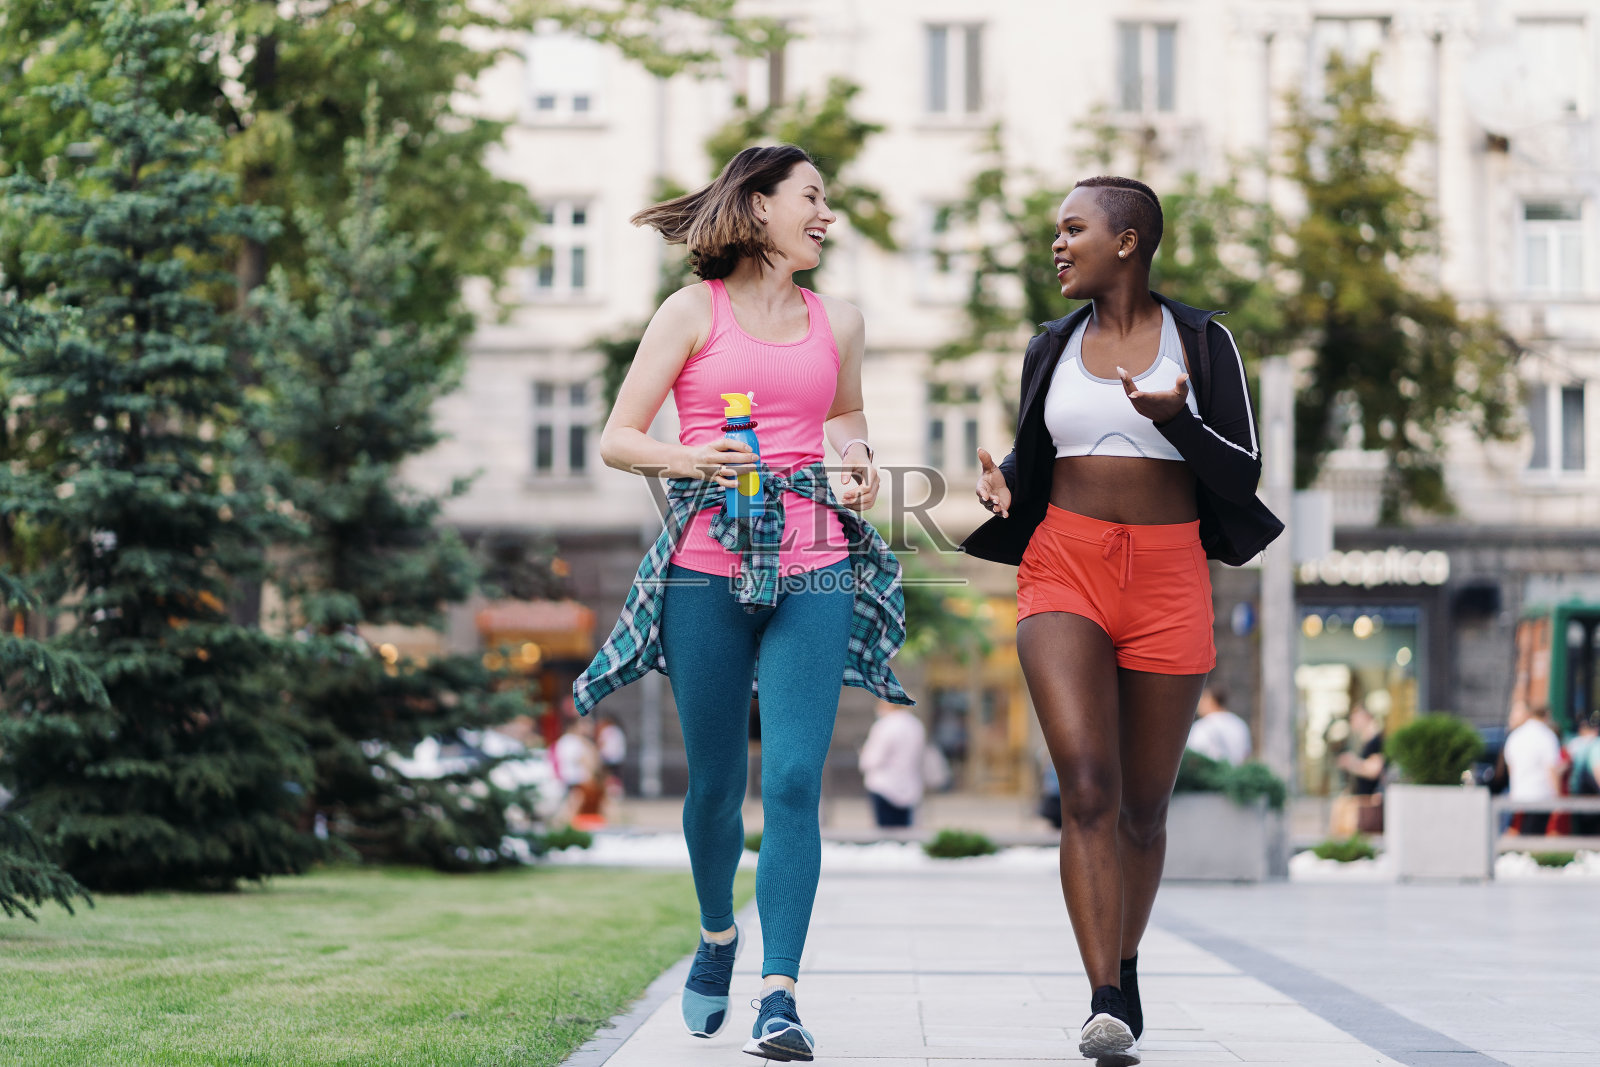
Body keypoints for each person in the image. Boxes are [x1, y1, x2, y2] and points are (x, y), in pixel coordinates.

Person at [571, 144, 911, 1063]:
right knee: (718, 782)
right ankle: (718, 934)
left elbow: (847, 428)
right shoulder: (691, 313)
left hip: (815, 563)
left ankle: (781, 992)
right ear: (758, 207)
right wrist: (697, 459)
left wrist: (858, 468)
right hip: (707, 568)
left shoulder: (840, 319)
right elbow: (618, 439)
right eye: (811, 197)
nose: (825, 213)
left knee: (798, 780)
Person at [963, 176, 1281, 1066]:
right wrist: (1009, 485)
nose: (1057, 245)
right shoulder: (1051, 345)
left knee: (1144, 807)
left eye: (1074, 229)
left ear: (1128, 240)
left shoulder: (1204, 341)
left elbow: (1242, 475)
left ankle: (1126, 961)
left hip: (1171, 573)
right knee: (1090, 786)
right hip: (1063, 562)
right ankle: (1103, 995)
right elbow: (1038, 450)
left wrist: (1180, 422)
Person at [858, 700, 927, 828]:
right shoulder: (916, 725)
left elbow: (872, 759)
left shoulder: (884, 725)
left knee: (886, 835)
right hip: (910, 786)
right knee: (904, 833)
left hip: (884, 786)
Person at [1505, 704, 1563, 836]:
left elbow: (1511, 769)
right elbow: (1551, 769)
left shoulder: (1515, 736)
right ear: (1547, 716)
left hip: (1518, 796)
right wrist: (1558, 797)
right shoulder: (1547, 736)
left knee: (1518, 836)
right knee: (1535, 839)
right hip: (1540, 796)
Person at [551, 715, 602, 825]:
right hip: (574, 780)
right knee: (571, 809)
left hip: (565, 780)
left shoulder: (565, 740)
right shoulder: (574, 742)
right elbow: (588, 762)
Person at [1185, 687, 1251, 766]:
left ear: (1211, 701)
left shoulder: (1202, 726)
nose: (1198, 705)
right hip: (1237, 775)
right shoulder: (1240, 724)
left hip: (1209, 775)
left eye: (1202, 700)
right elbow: (1246, 756)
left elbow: (1193, 757)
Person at [1336, 704, 1386, 797]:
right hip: (1362, 797)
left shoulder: (1375, 741)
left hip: (1368, 799)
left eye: (1355, 718)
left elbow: (1375, 770)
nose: (1352, 722)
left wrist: (1352, 763)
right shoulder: (1366, 741)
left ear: (1365, 717)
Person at [1566, 714, 1600, 836]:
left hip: (1575, 794)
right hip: (1592, 796)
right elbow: (1598, 771)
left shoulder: (1573, 744)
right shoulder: (1596, 744)